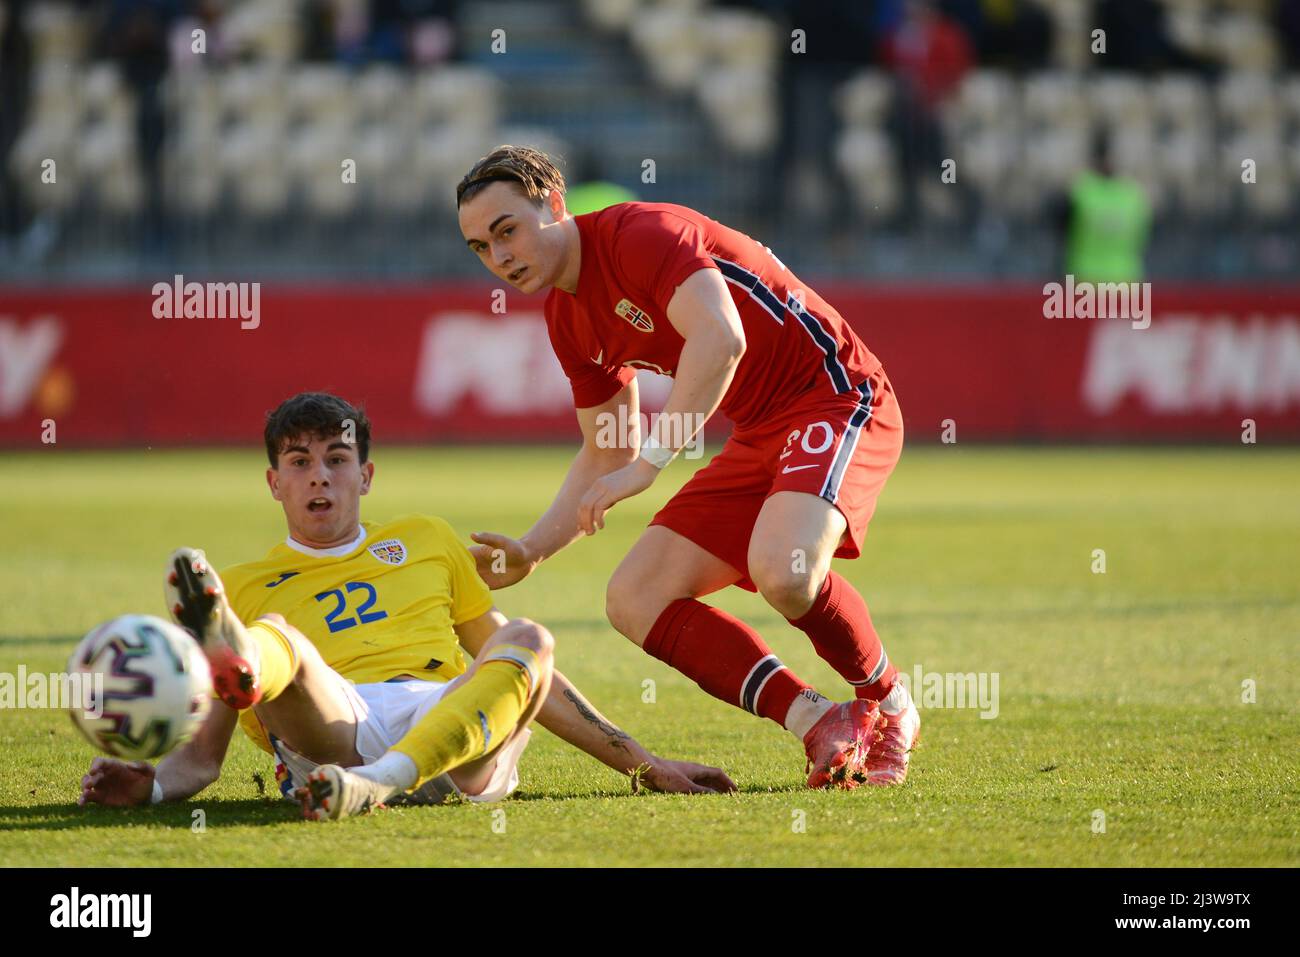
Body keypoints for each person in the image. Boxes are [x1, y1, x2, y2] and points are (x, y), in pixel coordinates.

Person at [456, 145, 919, 789]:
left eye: (507, 230)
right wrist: (533, 548)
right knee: (633, 598)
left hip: (835, 393)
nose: (499, 257)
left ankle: (889, 703)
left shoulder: (639, 235)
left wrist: (651, 463)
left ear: (554, 205)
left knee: (784, 572)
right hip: (759, 430)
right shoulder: (568, 320)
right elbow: (604, 448)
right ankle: (818, 719)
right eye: (480, 246)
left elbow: (721, 339)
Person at [78, 392, 733, 820]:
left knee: (526, 638)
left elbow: (542, 684)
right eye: (299, 462)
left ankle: (381, 782)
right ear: (274, 482)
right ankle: (256, 666)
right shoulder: (237, 586)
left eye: (337, 459)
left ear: (366, 474)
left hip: (451, 717)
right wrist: (155, 785)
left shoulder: (425, 539)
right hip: (334, 725)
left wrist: (646, 764)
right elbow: (204, 757)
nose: (320, 476)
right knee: (274, 633)